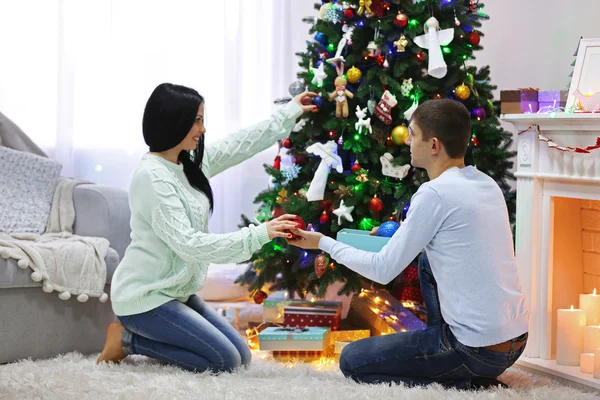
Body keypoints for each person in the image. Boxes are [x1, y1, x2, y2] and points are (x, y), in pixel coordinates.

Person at [287, 99, 529, 389]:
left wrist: (323, 243)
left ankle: (458, 379)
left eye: (413, 134)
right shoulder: (485, 183)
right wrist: (401, 233)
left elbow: (382, 270)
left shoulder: (435, 193)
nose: (408, 140)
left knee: (352, 360)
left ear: (434, 145)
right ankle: (446, 358)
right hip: (515, 341)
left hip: (475, 350)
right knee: (427, 261)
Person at [97, 83, 316, 372]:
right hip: (145, 298)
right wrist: (261, 232)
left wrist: (290, 112)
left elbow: (241, 143)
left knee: (241, 357)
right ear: (174, 122)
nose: (202, 129)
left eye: (202, 119)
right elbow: (190, 244)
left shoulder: (188, 162)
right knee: (223, 360)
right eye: (197, 120)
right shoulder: (153, 178)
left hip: (176, 292)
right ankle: (126, 340)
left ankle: (139, 337)